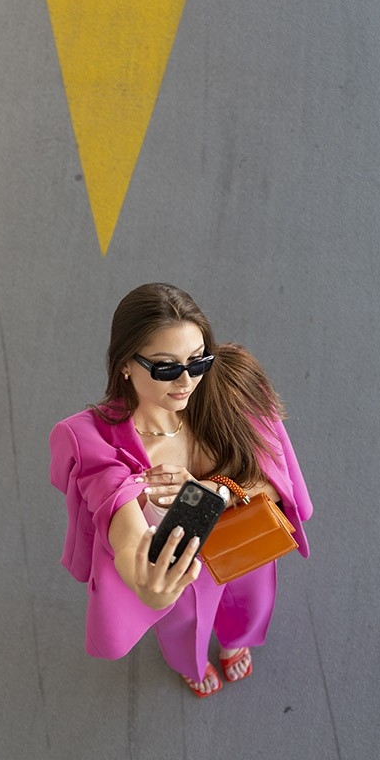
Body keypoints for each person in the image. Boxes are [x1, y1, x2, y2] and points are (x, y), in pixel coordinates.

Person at [49, 282, 313, 697]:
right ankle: (191, 664)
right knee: (185, 624)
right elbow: (121, 521)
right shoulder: (95, 440)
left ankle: (236, 641)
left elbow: (276, 477)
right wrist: (145, 582)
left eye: (199, 360)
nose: (187, 381)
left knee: (252, 601)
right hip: (182, 568)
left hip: (243, 533)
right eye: (166, 368)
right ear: (125, 364)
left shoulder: (234, 383)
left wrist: (212, 491)